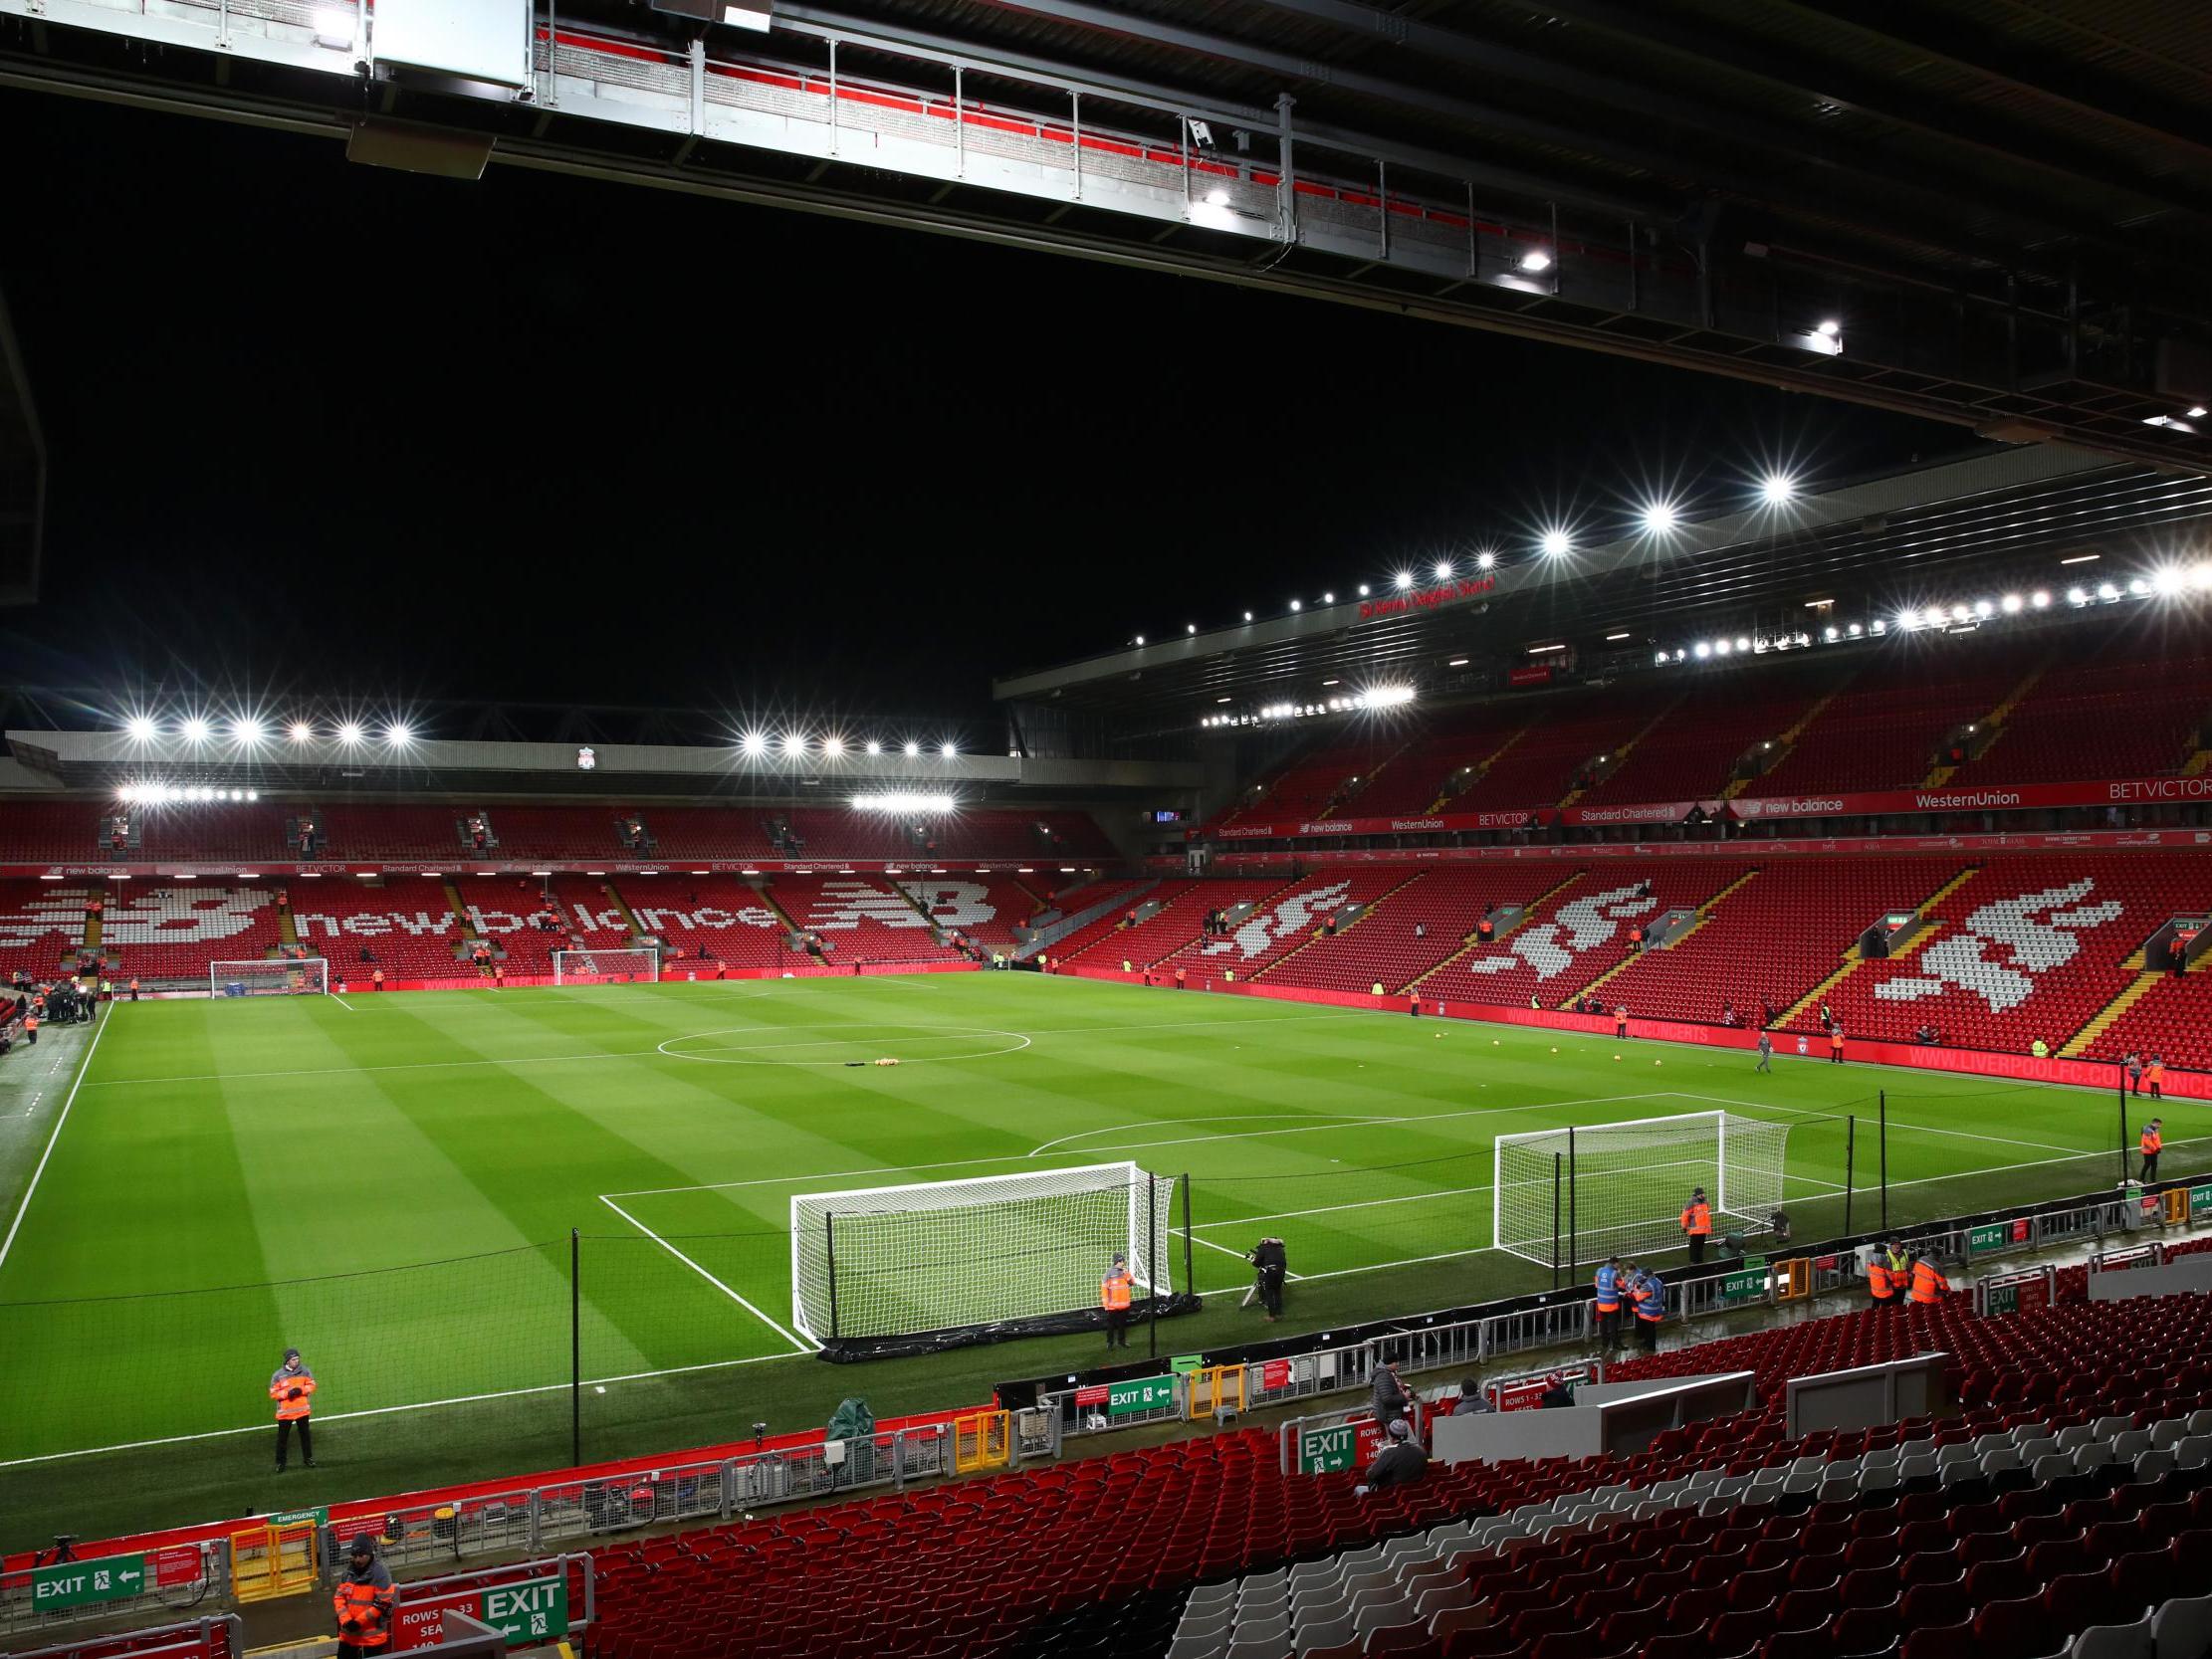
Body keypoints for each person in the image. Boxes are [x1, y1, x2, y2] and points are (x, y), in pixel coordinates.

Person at [332, 1534, 397, 1654]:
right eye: (355, 1556)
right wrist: (346, 1621)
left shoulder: (381, 1573)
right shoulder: (347, 1574)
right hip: (349, 1635)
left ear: (369, 1553)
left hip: (372, 1639)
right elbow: (339, 1599)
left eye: (361, 1555)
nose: (357, 1559)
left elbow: (382, 1603)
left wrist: (358, 1622)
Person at [1354, 1417, 1429, 1496]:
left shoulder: (1389, 1453)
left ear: (1391, 1437)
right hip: (1415, 1493)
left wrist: (1381, 1456)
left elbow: (1370, 1474)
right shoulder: (1421, 1451)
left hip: (1392, 1494)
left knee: (1358, 1489)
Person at [270, 1347, 317, 1470]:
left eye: (297, 1359)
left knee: (305, 1436)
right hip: (285, 1414)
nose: (297, 1361)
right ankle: (280, 1463)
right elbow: (273, 1393)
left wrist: (301, 1390)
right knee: (282, 1440)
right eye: (294, 1360)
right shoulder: (278, 1375)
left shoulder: (305, 1371)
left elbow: (312, 1385)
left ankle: (308, 1458)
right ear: (287, 1361)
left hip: (302, 1411)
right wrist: (287, 1394)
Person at [1248, 1235, 1287, 1322]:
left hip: (1271, 1271)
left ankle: (1272, 1316)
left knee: (1269, 1292)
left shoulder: (1264, 1247)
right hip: (1281, 1271)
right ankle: (1279, 1313)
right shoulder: (1280, 1248)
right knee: (1277, 1291)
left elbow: (1256, 1263)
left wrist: (1253, 1261)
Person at [1099, 1253, 1134, 1349]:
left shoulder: (1124, 1272)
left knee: (1122, 1325)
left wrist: (1127, 1273)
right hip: (1112, 1306)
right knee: (1111, 1326)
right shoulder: (1108, 1274)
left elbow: (1132, 1283)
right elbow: (1104, 1290)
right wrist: (1106, 1305)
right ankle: (1110, 1343)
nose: (1123, 1263)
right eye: (1121, 1261)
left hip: (1124, 1305)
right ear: (1117, 1261)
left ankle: (1121, 1342)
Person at [1371, 1356, 1412, 1430]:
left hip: (1393, 1414)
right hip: (1388, 1415)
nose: (1398, 1364)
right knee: (1394, 1438)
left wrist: (1411, 1394)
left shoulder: (1390, 1373)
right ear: (1390, 1363)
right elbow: (1387, 1399)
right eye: (1396, 1362)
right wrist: (1404, 1397)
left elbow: (1397, 1388)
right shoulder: (1383, 1376)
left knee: (1397, 1437)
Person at [1631, 1268, 1664, 1352]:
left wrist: (1635, 1289)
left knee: (1649, 1329)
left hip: (1648, 1311)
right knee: (1650, 1329)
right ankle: (1647, 1343)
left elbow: (1638, 1297)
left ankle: (1650, 1347)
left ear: (1648, 1276)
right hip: (1656, 1309)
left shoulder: (1648, 1285)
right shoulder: (1658, 1281)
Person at [1593, 1256, 1623, 1350]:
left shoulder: (1599, 1271)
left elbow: (1597, 1285)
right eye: (1618, 1264)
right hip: (1611, 1304)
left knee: (1603, 1324)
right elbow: (1622, 1285)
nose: (1619, 1265)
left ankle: (1604, 1343)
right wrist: (1620, 1274)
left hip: (1601, 1303)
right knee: (1613, 1325)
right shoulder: (1615, 1273)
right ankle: (1615, 1344)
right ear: (1615, 1263)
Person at [1679, 1187, 1712, 1265]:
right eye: (1701, 1194)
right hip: (1695, 1230)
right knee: (1694, 1246)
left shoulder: (1705, 1201)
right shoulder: (1691, 1202)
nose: (1703, 1195)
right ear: (1697, 1194)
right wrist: (1684, 1226)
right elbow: (1685, 1215)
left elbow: (1707, 1212)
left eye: (1703, 1193)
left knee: (1700, 1246)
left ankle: (1700, 1261)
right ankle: (1693, 1261)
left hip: (1703, 1229)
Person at [1867, 1242, 1899, 1310]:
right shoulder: (1885, 1262)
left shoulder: (1871, 1260)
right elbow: (1892, 1277)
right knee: (1885, 1312)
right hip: (1885, 1293)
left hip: (1875, 1290)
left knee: (1874, 1308)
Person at [2140, 1118, 2163, 1183]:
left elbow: (2157, 1139)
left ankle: (2153, 1180)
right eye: (2159, 1124)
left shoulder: (2156, 1129)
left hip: (2154, 1150)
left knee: (2154, 1165)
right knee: (2147, 1164)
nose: (2159, 1126)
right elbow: (2147, 1141)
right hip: (2147, 1151)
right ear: (2155, 1123)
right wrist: (2155, 1149)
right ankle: (2141, 1179)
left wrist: (2159, 1147)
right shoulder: (2147, 1130)